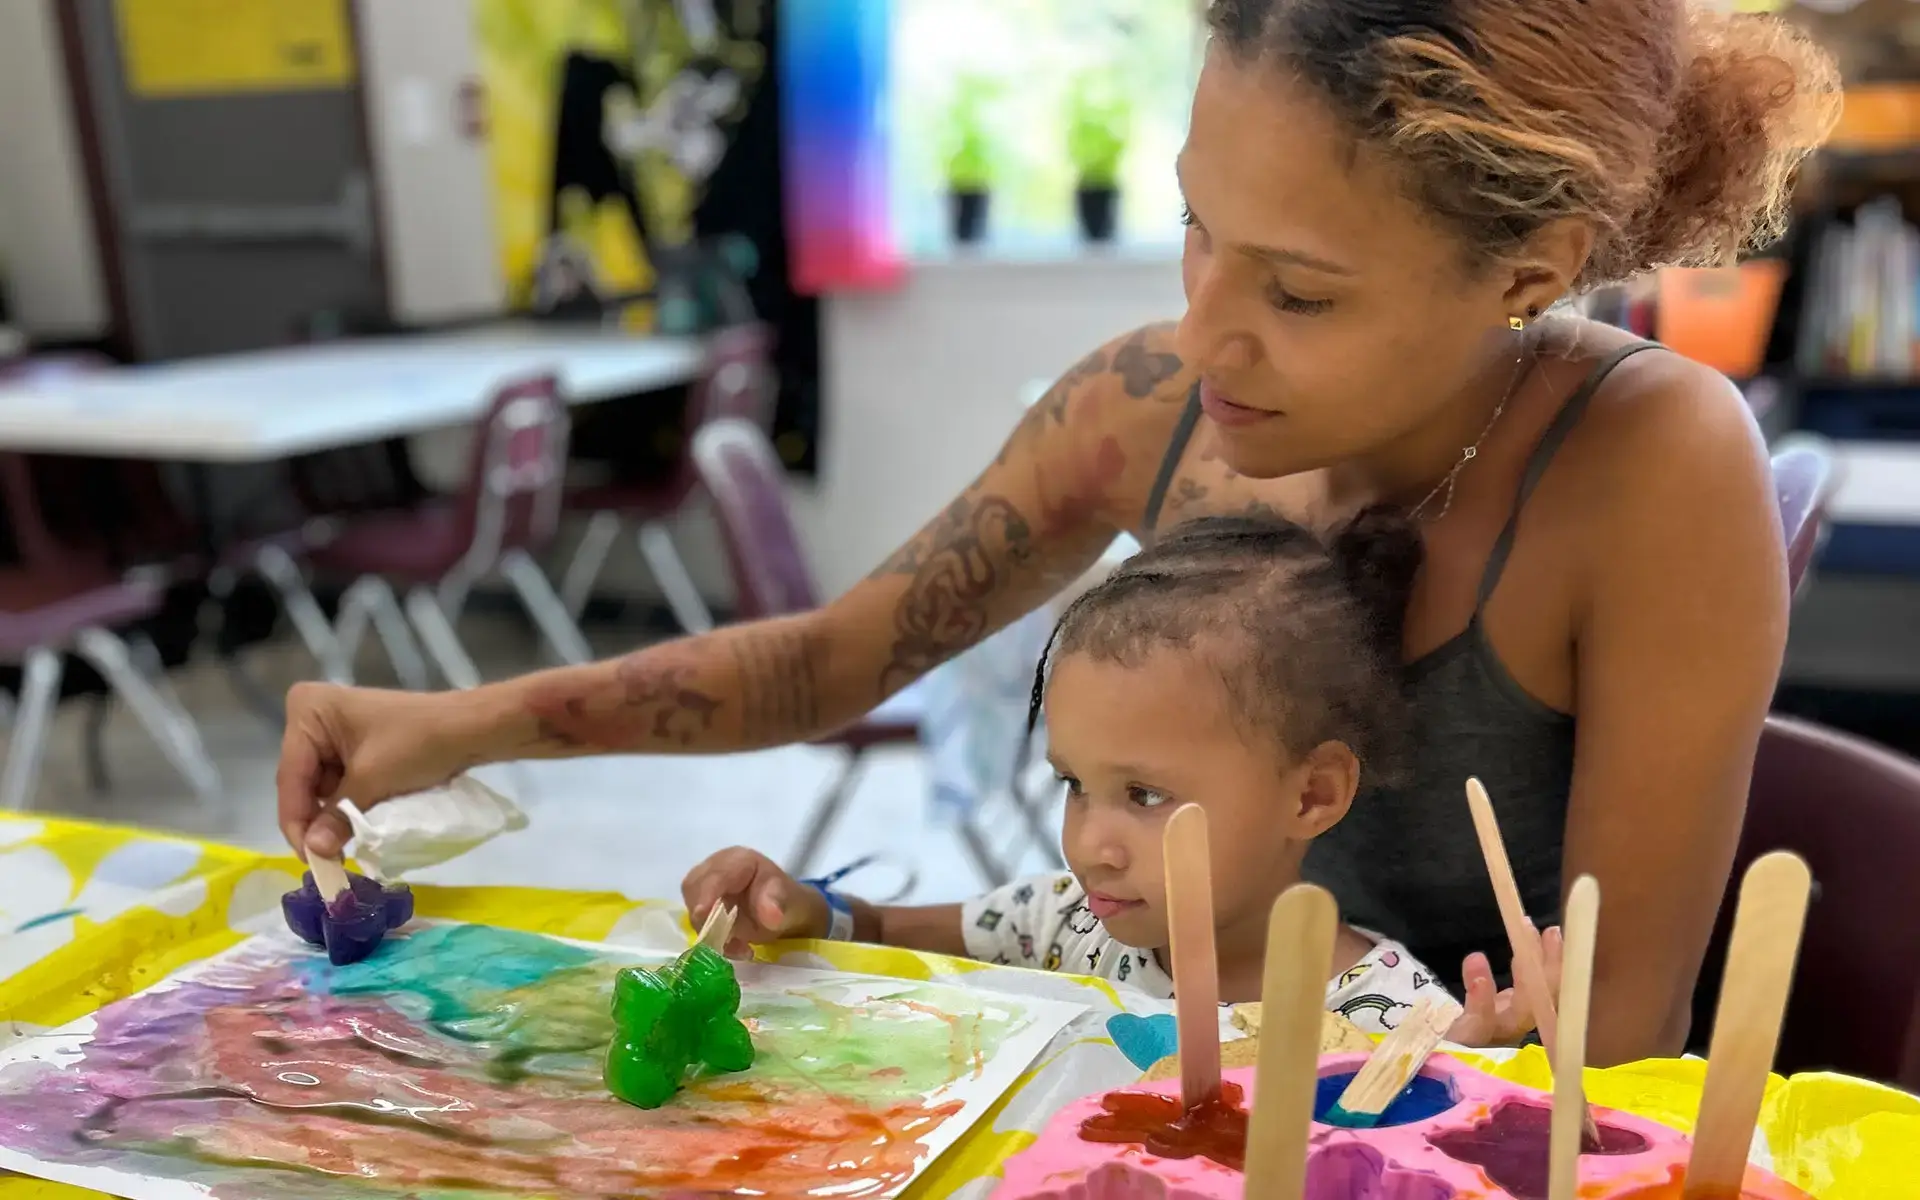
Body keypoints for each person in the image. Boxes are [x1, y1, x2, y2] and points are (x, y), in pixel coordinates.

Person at [277, 0, 1838, 1065]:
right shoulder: (1149, 410)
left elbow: (1621, 1044)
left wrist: (1499, 1068)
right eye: (1196, 230)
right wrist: (459, 721)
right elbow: (832, 660)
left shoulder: (1651, 470)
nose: (1205, 331)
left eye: (1296, 294)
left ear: (1529, 270)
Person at [683, 511, 1553, 1042]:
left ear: (1311, 794)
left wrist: (1465, 1077)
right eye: (1071, 783)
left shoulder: (1393, 1018)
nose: (1089, 845)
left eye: (1143, 795)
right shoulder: (1072, 924)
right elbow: (878, 927)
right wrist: (802, 909)